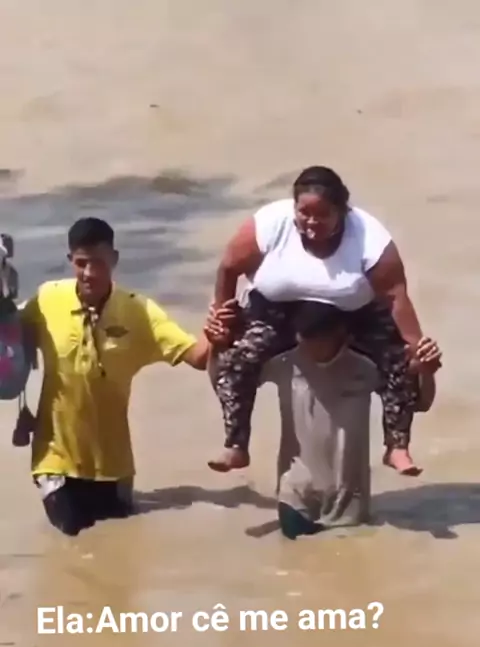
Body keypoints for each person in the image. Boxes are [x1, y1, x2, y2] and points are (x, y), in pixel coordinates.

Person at [206, 165, 440, 477]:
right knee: (237, 358)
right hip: (277, 311)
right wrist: (222, 314)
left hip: (353, 313)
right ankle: (236, 444)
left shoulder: (370, 239)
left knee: (399, 359)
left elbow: (396, 297)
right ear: (294, 207)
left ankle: (397, 446)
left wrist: (417, 348)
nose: (312, 222)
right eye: (304, 213)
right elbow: (228, 268)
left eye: (323, 215)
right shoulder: (269, 224)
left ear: (342, 211)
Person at [21, 217, 210, 537]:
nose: (89, 272)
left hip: (113, 468)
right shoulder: (46, 299)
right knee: (72, 537)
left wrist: (219, 327)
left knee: (117, 546)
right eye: (81, 263)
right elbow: (11, 343)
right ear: (70, 260)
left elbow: (198, 357)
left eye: (98, 262)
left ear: (114, 259)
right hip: (55, 459)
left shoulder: (139, 312)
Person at [253, 302, 439, 540]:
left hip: (349, 499)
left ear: (342, 335)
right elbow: (226, 381)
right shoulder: (284, 364)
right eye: (306, 340)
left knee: (348, 558)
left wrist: (426, 372)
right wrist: (216, 345)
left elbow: (419, 403)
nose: (312, 349)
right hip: (296, 491)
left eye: (321, 342)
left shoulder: (366, 368)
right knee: (293, 552)